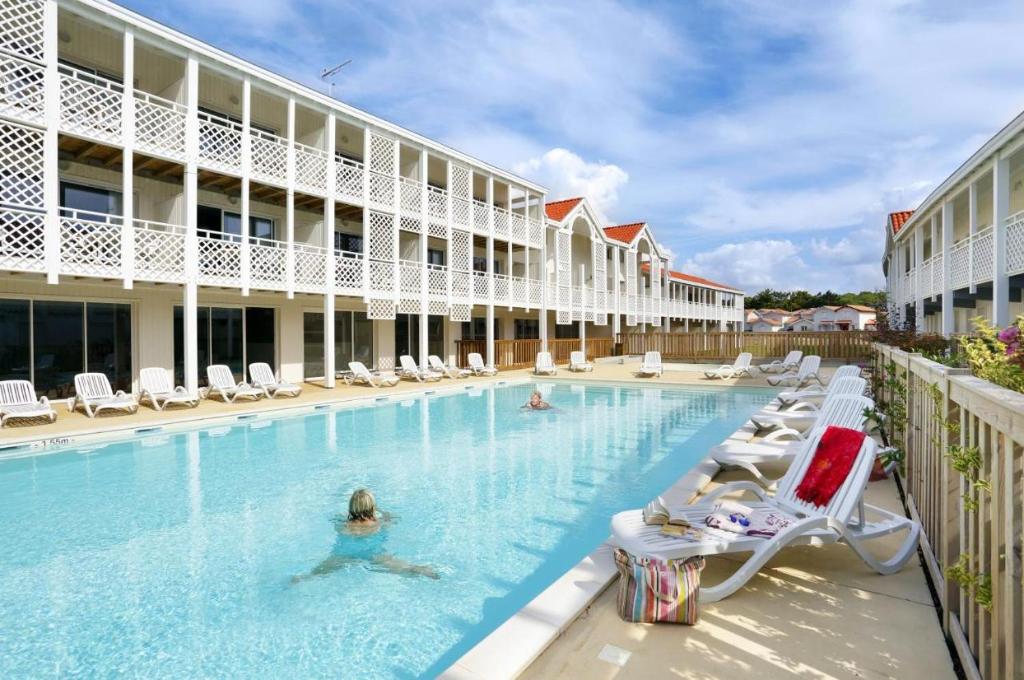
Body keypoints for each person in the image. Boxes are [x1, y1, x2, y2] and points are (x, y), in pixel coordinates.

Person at [292, 489, 439, 583]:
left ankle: (303, 578)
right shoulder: (379, 523)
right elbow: (393, 519)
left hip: (344, 553)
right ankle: (419, 570)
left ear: (351, 507)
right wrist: (381, 511)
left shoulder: (343, 524)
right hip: (373, 553)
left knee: (318, 571)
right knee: (404, 567)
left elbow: (334, 522)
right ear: (372, 507)